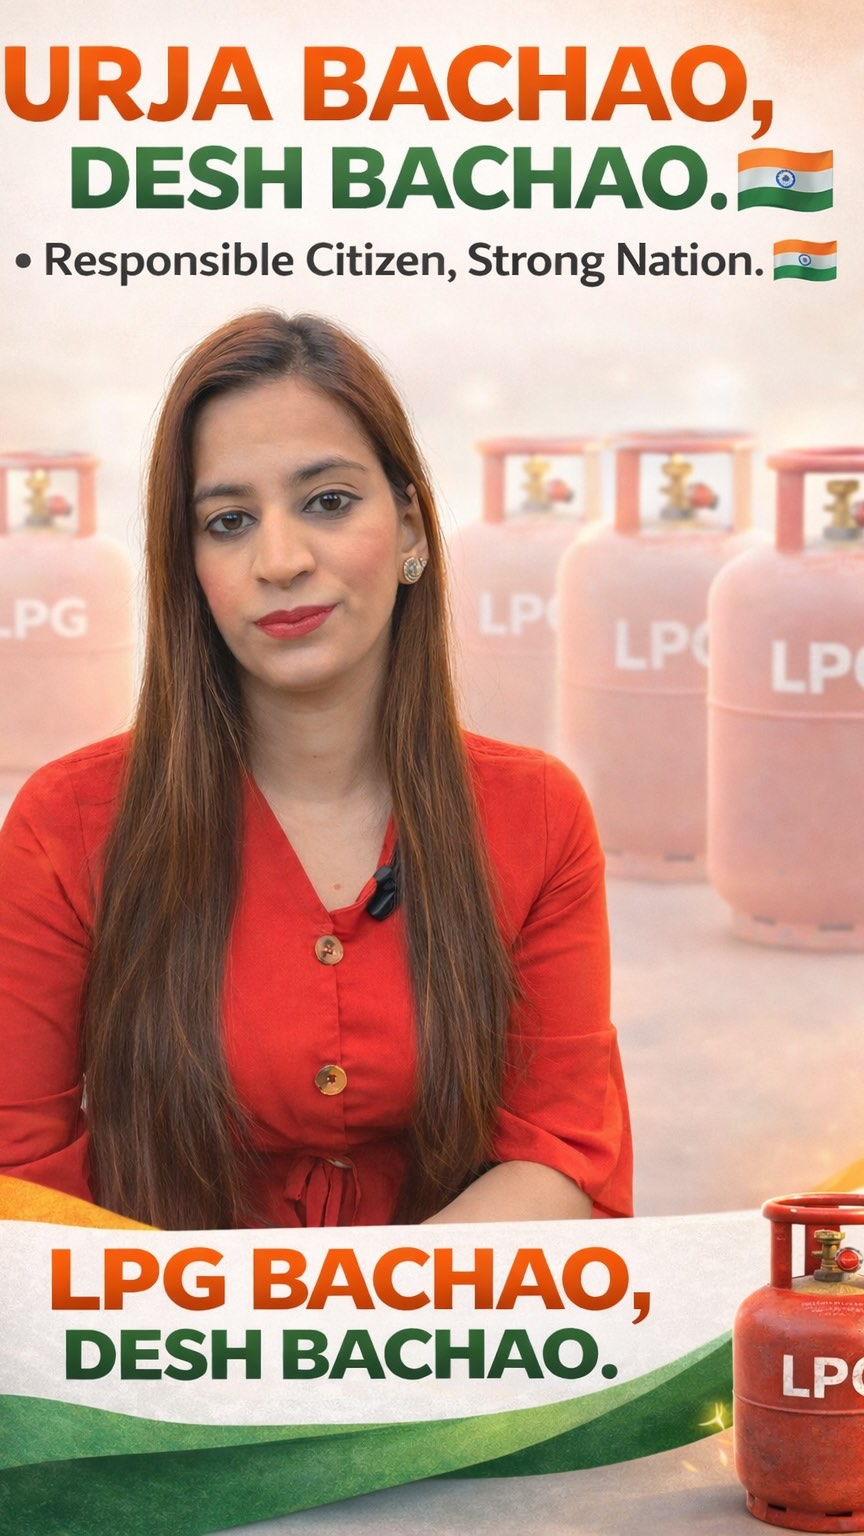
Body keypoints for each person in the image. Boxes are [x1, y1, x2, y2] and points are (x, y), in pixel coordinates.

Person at [0, 311, 632, 1230]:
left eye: (328, 502)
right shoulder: (66, 823)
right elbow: (18, 1179)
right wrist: (223, 1321)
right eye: (228, 522)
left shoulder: (537, 814)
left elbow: (560, 1148)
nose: (282, 561)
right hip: (146, 1323)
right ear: (188, 566)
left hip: (450, 1320)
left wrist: (358, 1317)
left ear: (410, 525)